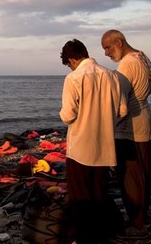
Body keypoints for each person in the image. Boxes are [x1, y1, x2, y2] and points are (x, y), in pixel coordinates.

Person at [59, 39, 127, 244]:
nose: (70, 67)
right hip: (105, 146)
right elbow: (122, 110)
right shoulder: (111, 75)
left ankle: (85, 237)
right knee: (99, 192)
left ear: (72, 59)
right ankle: (101, 233)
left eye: (69, 63)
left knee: (80, 196)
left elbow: (68, 115)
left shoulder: (74, 77)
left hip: (80, 147)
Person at [101, 30, 151, 240]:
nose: (106, 53)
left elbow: (118, 101)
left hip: (130, 127)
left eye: (107, 47)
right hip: (144, 121)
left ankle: (137, 224)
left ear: (119, 42)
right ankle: (142, 217)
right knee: (143, 173)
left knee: (130, 176)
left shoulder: (126, 64)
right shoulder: (142, 57)